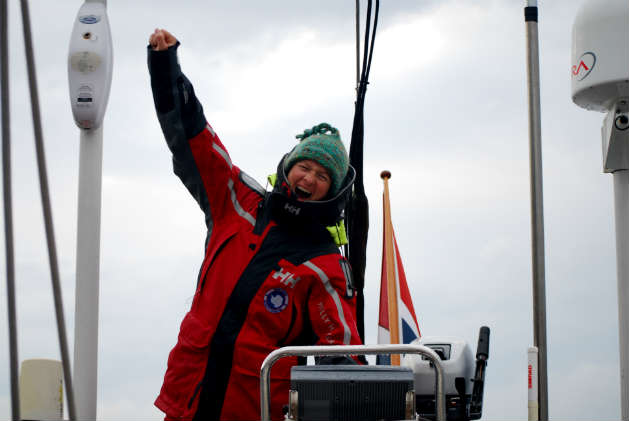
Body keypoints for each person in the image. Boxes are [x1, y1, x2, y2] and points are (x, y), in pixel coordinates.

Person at [147, 29, 363, 421]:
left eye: (321, 176)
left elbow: (343, 349)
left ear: (332, 192)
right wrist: (165, 68)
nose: (309, 179)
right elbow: (195, 142)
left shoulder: (326, 265)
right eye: (305, 166)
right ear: (288, 168)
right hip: (184, 407)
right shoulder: (238, 203)